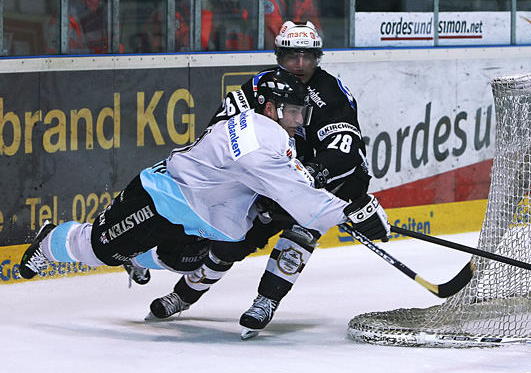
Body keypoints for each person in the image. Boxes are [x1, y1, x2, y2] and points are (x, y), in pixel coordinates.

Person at [18, 69, 390, 306]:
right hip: (161, 200)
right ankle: (48, 243)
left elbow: (290, 185)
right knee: (98, 250)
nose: (299, 120)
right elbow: (298, 196)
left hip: (201, 219)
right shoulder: (258, 140)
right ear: (270, 108)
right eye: (292, 111)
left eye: (301, 112)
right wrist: (350, 210)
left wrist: (347, 208)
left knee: (183, 259)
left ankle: (136, 258)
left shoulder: (272, 134)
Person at [137, 20, 372, 339]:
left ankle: (266, 300)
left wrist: (315, 175)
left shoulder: (332, 95)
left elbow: (345, 149)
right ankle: (183, 296)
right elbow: (220, 129)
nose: (300, 64)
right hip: (269, 179)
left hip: (320, 181)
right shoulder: (261, 86)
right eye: (292, 56)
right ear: (278, 56)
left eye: (308, 56)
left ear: (318, 57)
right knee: (231, 242)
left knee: (300, 234)